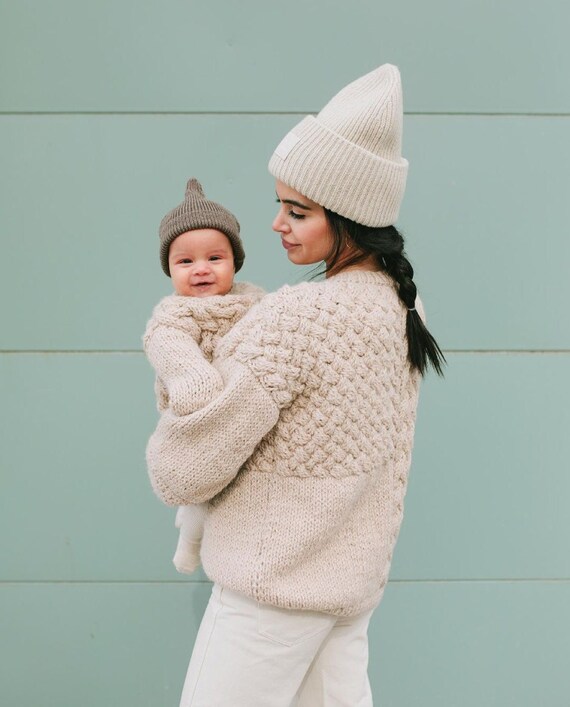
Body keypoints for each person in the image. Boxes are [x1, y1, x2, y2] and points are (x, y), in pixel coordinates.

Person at [146, 64, 445, 707]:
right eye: (280, 204)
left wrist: (180, 370)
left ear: (351, 216)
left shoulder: (292, 319)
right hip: (348, 592)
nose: (278, 223)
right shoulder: (405, 311)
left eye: (298, 210)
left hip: (269, 597)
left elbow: (182, 473)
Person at [143, 177, 264, 574]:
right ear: (170, 269)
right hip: (197, 422)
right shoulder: (171, 321)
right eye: (185, 261)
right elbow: (187, 374)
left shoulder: (255, 303)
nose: (201, 270)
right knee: (201, 495)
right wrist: (206, 392)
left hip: (242, 420)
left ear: (235, 262)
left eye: (215, 258)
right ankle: (189, 544)